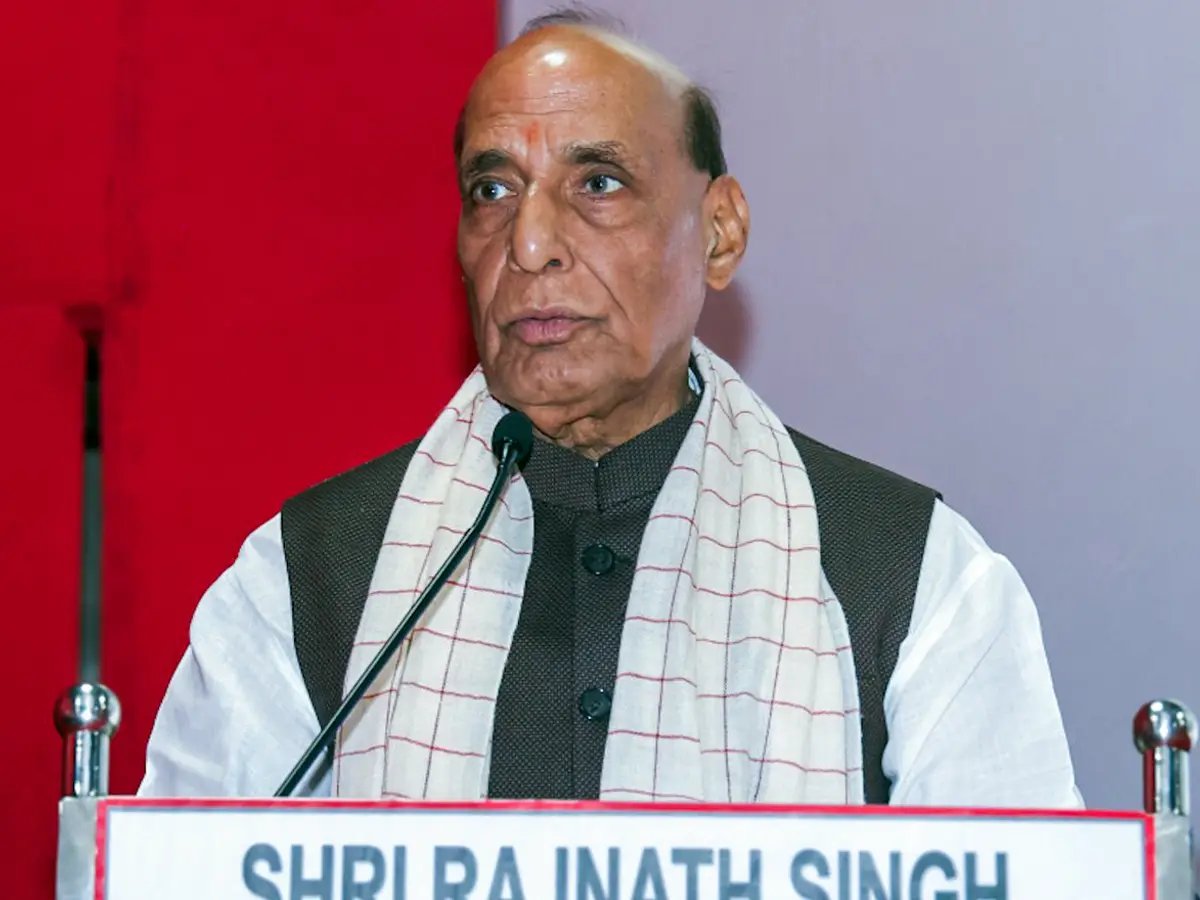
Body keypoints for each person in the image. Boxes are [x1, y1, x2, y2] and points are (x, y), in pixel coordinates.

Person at [140, 11, 1079, 808]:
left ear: (720, 233)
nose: (530, 243)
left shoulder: (909, 574)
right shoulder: (310, 577)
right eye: (493, 190)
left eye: (598, 184)